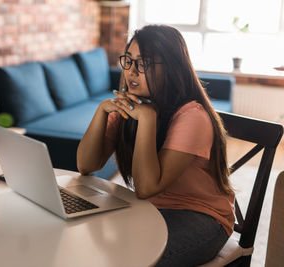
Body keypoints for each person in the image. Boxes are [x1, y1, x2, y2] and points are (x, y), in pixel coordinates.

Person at [76, 24, 235, 266]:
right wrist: (102, 111)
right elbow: (86, 165)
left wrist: (148, 118)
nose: (131, 72)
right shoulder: (130, 106)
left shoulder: (192, 116)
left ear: (171, 68)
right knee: (84, 242)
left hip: (201, 216)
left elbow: (146, 188)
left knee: (131, 259)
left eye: (143, 64)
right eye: (128, 61)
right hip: (150, 209)